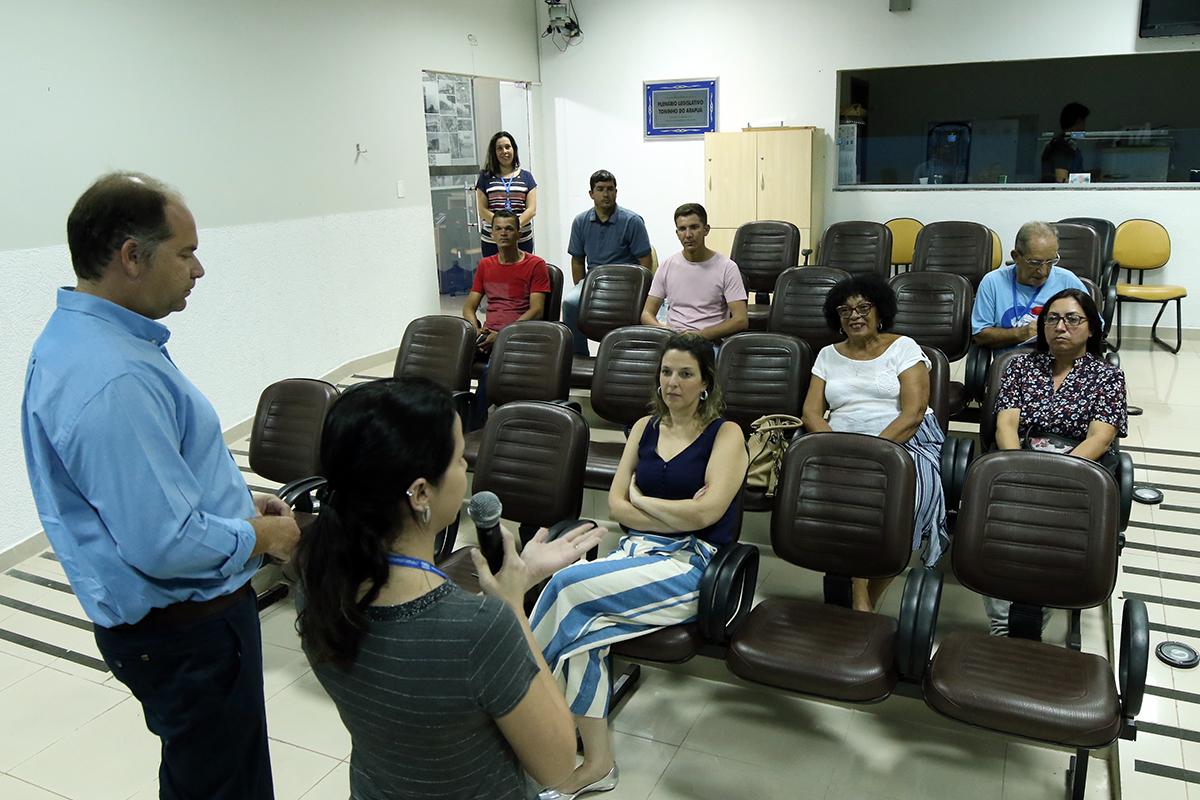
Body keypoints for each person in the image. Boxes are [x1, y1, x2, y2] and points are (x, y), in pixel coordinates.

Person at [21, 172, 302, 799]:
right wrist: (263, 536)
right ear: (131, 256)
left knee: (207, 773)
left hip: (176, 627)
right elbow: (163, 544)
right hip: (189, 629)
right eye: (186, 252)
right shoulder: (111, 376)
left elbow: (152, 486)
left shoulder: (88, 341)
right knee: (224, 786)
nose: (198, 269)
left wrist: (230, 504)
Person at [297, 377, 606, 800]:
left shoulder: (317, 582)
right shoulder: (478, 628)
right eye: (461, 460)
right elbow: (557, 767)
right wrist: (513, 605)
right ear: (421, 492)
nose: (467, 471)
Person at [530, 333, 748, 799]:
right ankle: (597, 764)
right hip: (635, 554)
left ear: (705, 382)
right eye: (666, 372)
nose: (673, 382)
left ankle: (518, 707)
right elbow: (616, 505)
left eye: (685, 373)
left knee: (568, 584)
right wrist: (673, 509)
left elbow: (707, 516)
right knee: (586, 632)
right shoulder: (644, 425)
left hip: (694, 566)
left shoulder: (726, 434)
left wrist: (644, 500)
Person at [801, 274, 948, 612]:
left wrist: (873, 456)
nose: (854, 315)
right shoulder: (827, 355)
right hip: (839, 446)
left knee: (907, 505)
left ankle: (862, 592)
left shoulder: (904, 347)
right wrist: (837, 449)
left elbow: (912, 414)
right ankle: (860, 597)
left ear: (880, 310)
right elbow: (811, 413)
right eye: (845, 310)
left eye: (863, 307)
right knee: (839, 505)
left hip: (903, 444)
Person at [985, 288, 1127, 636]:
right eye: (1052, 319)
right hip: (1020, 463)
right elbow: (1006, 424)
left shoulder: (1107, 377)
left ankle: (1031, 622)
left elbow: (1100, 438)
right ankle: (1002, 626)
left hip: (1078, 472)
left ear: (1091, 328)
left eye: (1072, 319)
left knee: (1052, 535)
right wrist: (1018, 470)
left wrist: (1054, 477)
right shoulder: (1020, 366)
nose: (1060, 327)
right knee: (998, 527)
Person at [461, 209, 551, 428]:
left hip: (520, 335)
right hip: (489, 333)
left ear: (519, 234)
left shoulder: (536, 265)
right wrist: (476, 328)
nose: (503, 234)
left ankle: (475, 425)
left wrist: (503, 335)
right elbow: (469, 307)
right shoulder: (485, 265)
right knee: (454, 361)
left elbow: (537, 311)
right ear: (492, 234)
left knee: (491, 369)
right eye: (498, 229)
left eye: (509, 229)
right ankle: (455, 414)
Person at [563, 170, 653, 355]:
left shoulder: (632, 221)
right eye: (600, 189)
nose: (606, 194)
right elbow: (577, 260)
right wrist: (582, 286)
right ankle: (578, 357)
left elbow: (645, 261)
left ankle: (631, 356)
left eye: (610, 189)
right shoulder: (580, 222)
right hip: (594, 282)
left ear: (616, 192)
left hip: (626, 284)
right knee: (570, 303)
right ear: (591, 194)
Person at [640, 203, 748, 344]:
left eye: (694, 227)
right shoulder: (667, 266)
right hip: (674, 341)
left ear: (706, 229)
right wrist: (665, 331)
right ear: (677, 233)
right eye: (682, 229)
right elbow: (647, 314)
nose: (688, 235)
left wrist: (701, 335)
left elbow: (740, 320)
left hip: (709, 342)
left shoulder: (727, 268)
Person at [971, 221, 1087, 352]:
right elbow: (980, 335)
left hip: (1058, 363)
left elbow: (1095, 326)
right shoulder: (993, 282)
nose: (1043, 271)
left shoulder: (1068, 281)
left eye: (1050, 262)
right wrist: (1020, 334)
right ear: (1016, 257)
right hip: (1009, 365)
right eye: (1035, 263)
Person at [476, 131, 538, 257]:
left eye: (508, 147)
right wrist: (502, 228)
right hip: (492, 241)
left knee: (521, 275)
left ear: (514, 149)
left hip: (521, 239)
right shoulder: (485, 177)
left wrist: (513, 228)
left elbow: (531, 210)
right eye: (499, 148)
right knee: (494, 275)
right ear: (494, 152)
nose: (504, 151)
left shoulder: (527, 177)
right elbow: (482, 210)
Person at [1041, 102, 1089, 183]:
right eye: (1084, 122)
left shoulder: (1071, 146)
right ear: (1078, 121)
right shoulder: (1061, 146)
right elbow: (1061, 179)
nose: (1085, 127)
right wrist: (1087, 180)